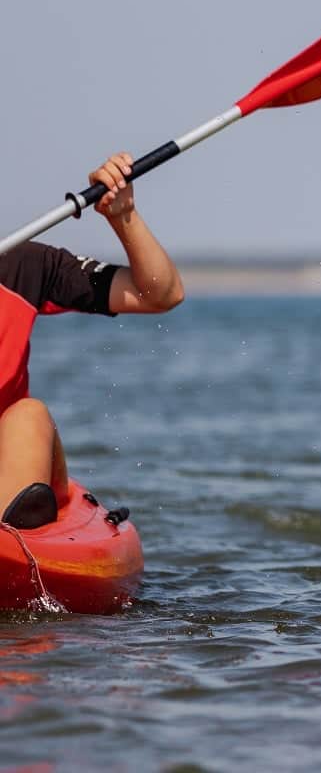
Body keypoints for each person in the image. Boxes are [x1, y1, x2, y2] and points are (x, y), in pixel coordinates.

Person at [1, 153, 185, 529]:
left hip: (12, 467)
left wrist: (122, 215)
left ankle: (12, 537)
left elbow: (159, 294)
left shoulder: (21, 266)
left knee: (28, 415)